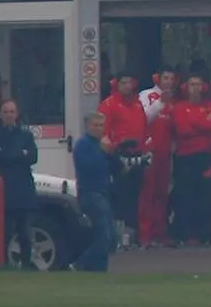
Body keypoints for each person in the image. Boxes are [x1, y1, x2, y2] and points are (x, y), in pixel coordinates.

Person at [0, 99, 38, 269]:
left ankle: (26, 264)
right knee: (5, 231)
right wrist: (19, 154)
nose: (9, 115)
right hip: (4, 189)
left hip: (24, 189)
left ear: (17, 114)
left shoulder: (26, 135)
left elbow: (33, 157)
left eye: (12, 111)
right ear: (1, 114)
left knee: (25, 232)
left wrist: (13, 155)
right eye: (5, 112)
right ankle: (3, 264)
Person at [171, 73, 211, 247]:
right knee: (183, 196)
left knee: (206, 196)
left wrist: (194, 122)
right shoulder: (178, 107)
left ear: (204, 87)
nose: (195, 88)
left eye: (198, 84)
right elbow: (181, 129)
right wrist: (201, 124)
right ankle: (181, 235)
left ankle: (206, 235)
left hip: (205, 156)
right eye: (192, 84)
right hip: (184, 156)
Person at [99, 74, 150, 246]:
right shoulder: (109, 104)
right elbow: (103, 133)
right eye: (123, 83)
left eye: (130, 82)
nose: (127, 86)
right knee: (119, 198)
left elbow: (144, 129)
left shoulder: (137, 105)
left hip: (137, 156)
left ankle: (134, 236)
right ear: (117, 84)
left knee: (135, 198)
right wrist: (112, 151)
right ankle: (119, 238)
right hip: (118, 157)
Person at [70, 112, 120, 272]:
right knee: (104, 236)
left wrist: (112, 153)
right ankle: (80, 264)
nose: (99, 129)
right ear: (88, 126)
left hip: (104, 192)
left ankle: (99, 270)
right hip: (90, 193)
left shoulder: (102, 144)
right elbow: (88, 167)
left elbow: (114, 167)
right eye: (95, 125)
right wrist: (103, 152)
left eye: (101, 125)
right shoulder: (83, 145)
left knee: (110, 236)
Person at [137, 68, 177, 249]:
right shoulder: (146, 95)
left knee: (162, 194)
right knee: (148, 194)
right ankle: (145, 234)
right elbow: (143, 118)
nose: (168, 81)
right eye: (165, 77)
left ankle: (161, 232)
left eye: (171, 78)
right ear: (158, 78)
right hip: (149, 150)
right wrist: (161, 102)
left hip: (166, 152)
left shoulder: (174, 101)